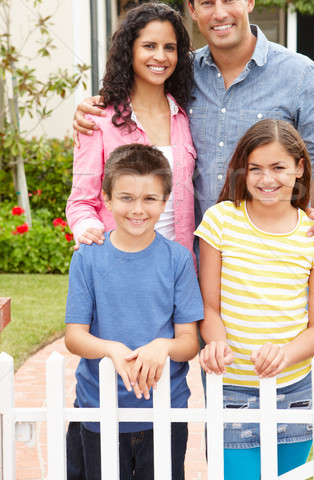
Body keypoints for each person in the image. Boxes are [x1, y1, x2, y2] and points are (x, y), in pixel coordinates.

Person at [72, 0, 314, 256]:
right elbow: (140, 98)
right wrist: (98, 107)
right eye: (207, 2)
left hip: (271, 255)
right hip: (195, 257)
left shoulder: (300, 75)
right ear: (192, 9)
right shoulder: (180, 74)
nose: (219, 13)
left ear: (250, 0)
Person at [195, 119, 314, 478]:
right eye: (255, 168)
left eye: (278, 167)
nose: (266, 179)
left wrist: (284, 355)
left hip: (294, 389)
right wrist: (217, 342)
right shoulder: (221, 221)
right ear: (243, 170)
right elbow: (208, 306)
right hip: (232, 387)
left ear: (300, 168)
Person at [65, 144, 204, 480]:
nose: (138, 209)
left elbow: (189, 342)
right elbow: (74, 336)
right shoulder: (87, 257)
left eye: (150, 199)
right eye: (126, 197)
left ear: (165, 201)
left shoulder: (178, 260)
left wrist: (164, 346)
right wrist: (109, 348)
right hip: (98, 410)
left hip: (163, 413)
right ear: (107, 200)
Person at [66, 0, 196, 263]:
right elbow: (81, 201)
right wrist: (89, 231)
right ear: (130, 51)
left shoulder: (185, 116)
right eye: (149, 46)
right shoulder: (99, 119)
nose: (161, 56)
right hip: (120, 265)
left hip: (179, 268)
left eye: (169, 48)